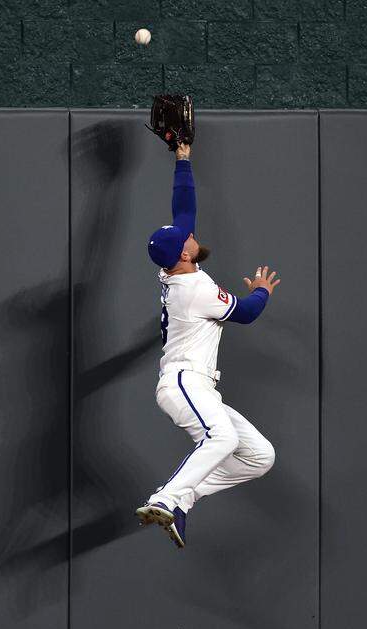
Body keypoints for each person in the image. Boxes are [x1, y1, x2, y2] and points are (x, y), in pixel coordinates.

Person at [136, 141, 280, 549]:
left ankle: (181, 500)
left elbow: (184, 211)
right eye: (187, 238)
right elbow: (246, 313)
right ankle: (164, 499)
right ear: (184, 254)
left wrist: (182, 159)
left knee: (260, 456)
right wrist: (263, 291)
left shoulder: (176, 266)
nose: (191, 233)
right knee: (223, 439)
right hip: (183, 381)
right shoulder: (193, 289)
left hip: (197, 385)